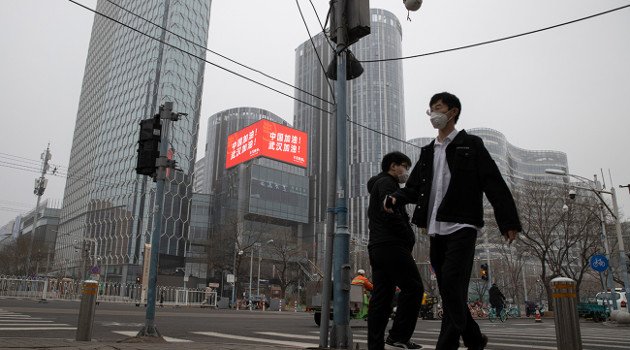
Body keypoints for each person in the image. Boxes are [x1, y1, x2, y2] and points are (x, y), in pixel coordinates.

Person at [385, 92, 521, 350]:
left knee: (450, 285)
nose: (433, 114)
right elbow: (413, 188)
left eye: (438, 108)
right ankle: (473, 338)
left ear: (453, 111)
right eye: (431, 110)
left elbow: (492, 181)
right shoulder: (428, 151)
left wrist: (508, 220)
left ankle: (445, 346)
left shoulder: (471, 144)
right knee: (450, 291)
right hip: (436, 229)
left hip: (463, 225)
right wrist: (395, 197)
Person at [367, 151, 425, 350]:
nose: (406, 171)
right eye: (405, 166)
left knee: (382, 298)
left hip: (378, 246)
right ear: (393, 166)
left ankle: (376, 345)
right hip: (391, 245)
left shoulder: (379, 184)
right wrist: (408, 235)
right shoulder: (387, 184)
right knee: (414, 288)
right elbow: (388, 211)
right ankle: (398, 337)